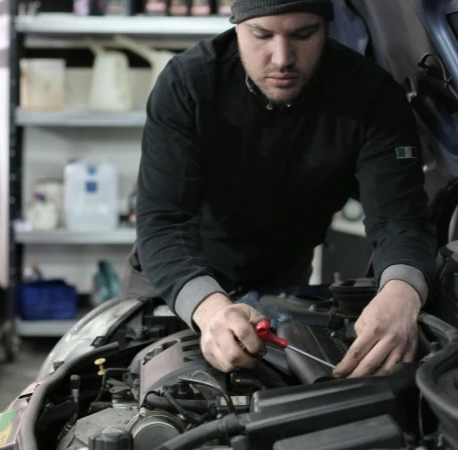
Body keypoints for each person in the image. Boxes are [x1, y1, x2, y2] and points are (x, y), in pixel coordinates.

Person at [133, 0, 436, 379]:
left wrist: (401, 294)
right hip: (178, 277)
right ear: (237, 25)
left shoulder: (370, 96)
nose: (282, 58)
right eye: (262, 35)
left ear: (327, 25)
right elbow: (163, 220)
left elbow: (400, 219)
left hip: (284, 284)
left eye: (303, 34)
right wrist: (210, 309)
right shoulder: (187, 84)